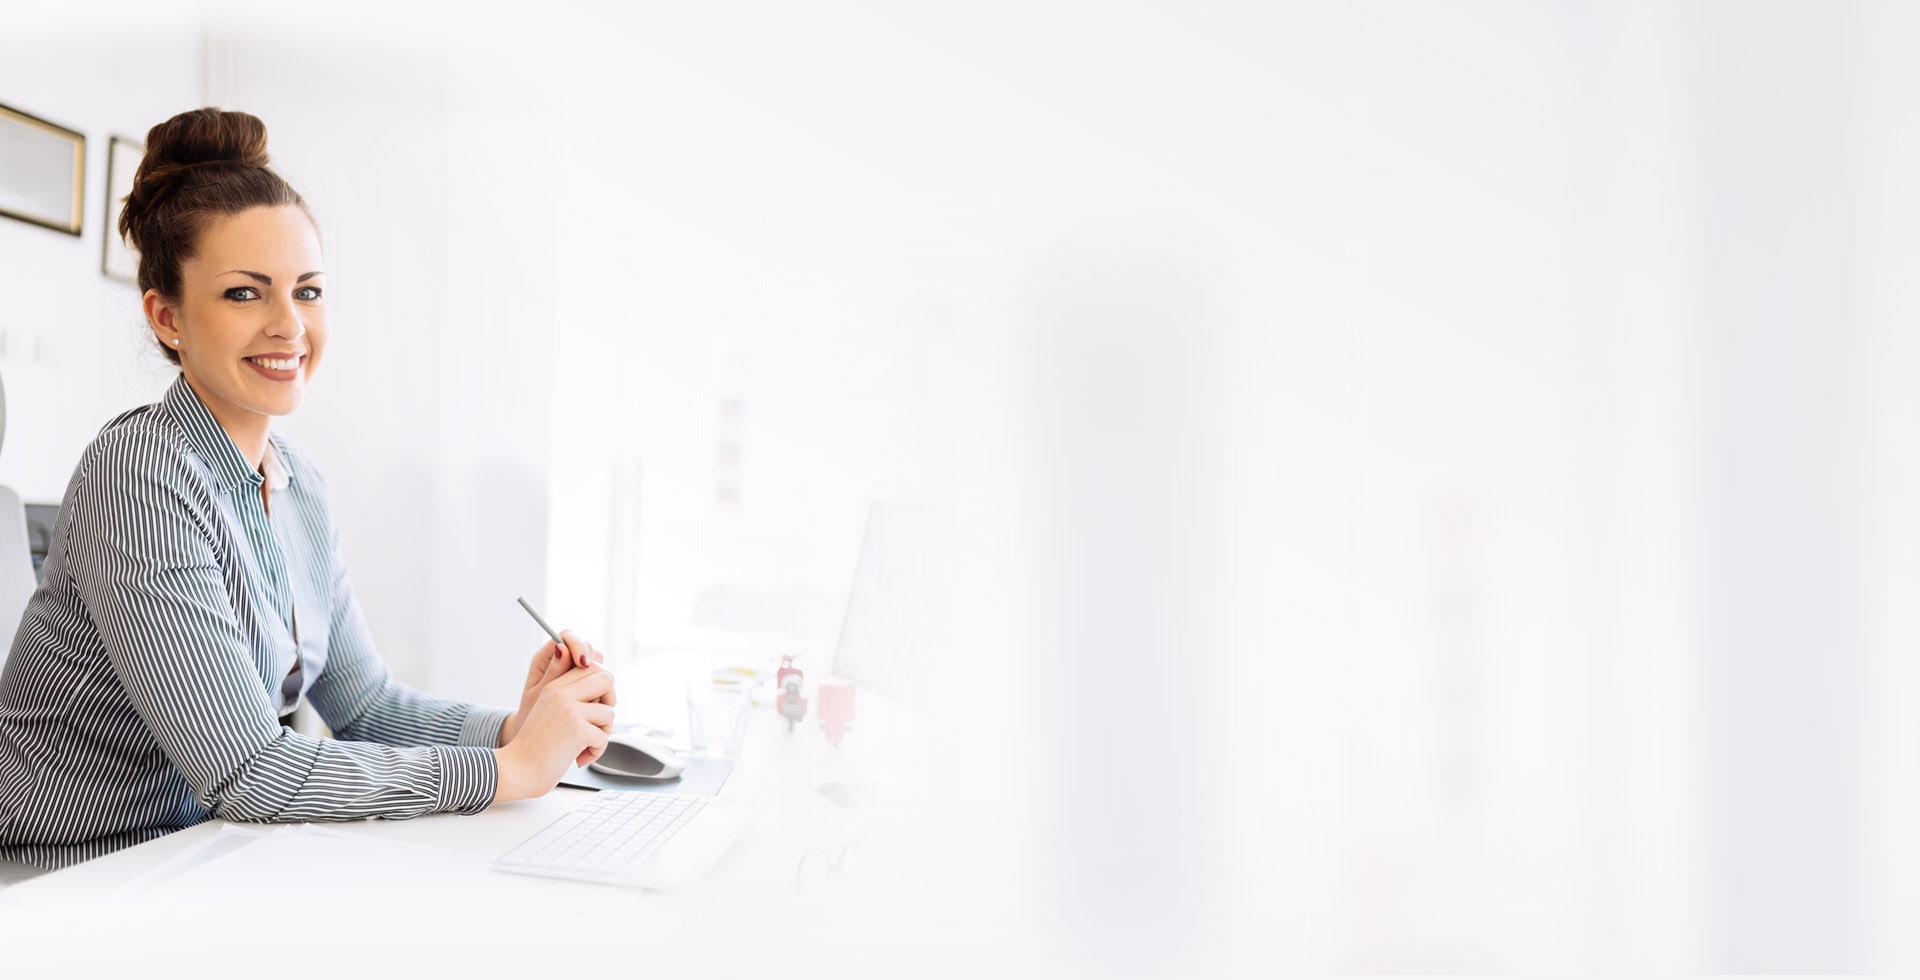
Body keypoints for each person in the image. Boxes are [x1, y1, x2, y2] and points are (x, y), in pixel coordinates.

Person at [0, 107, 614, 871]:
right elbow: (249, 774)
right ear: (167, 317)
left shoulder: (300, 486)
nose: (290, 325)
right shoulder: (138, 475)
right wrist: (507, 772)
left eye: (309, 291)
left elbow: (365, 706)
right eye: (244, 294)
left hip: (188, 853)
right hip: (56, 866)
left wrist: (515, 730)